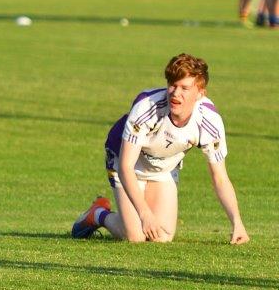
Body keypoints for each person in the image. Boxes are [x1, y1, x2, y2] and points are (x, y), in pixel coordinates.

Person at [71, 54, 249, 244]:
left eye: (184, 88)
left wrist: (237, 223)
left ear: (200, 93)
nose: (175, 93)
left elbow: (220, 178)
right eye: (172, 84)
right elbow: (125, 166)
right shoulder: (147, 106)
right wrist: (145, 214)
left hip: (163, 166)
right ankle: (98, 214)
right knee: (136, 236)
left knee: (161, 237)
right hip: (127, 161)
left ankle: (119, 216)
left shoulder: (209, 122)